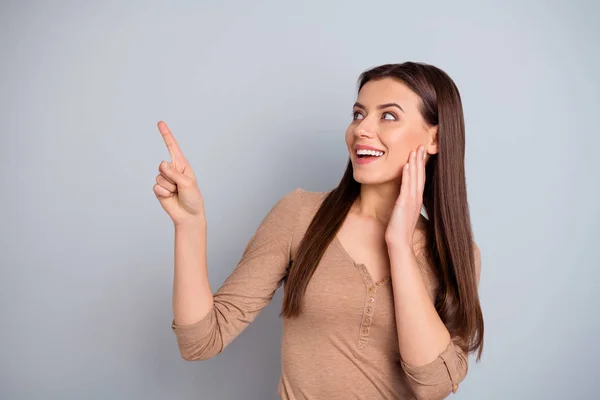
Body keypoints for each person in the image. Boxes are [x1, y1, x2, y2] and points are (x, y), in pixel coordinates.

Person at [153, 61, 484, 400]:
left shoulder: (454, 253)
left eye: (388, 116)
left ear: (435, 138)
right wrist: (190, 225)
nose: (361, 130)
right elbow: (201, 342)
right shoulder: (300, 215)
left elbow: (434, 385)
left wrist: (398, 243)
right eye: (358, 114)